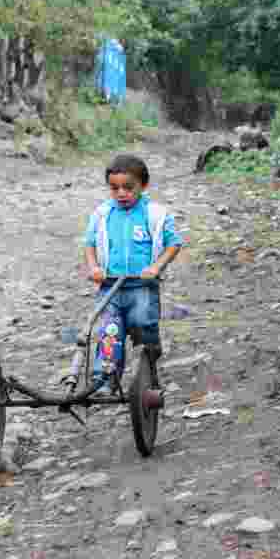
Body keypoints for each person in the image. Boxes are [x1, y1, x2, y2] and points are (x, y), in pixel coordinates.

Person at [83, 154, 183, 393]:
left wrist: (156, 267)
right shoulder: (102, 214)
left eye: (128, 188)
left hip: (141, 286)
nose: (121, 193)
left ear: (143, 185)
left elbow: (174, 243)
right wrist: (94, 268)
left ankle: (148, 368)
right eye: (114, 188)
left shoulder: (155, 214)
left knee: (142, 323)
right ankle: (105, 378)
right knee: (109, 331)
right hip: (110, 286)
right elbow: (89, 243)